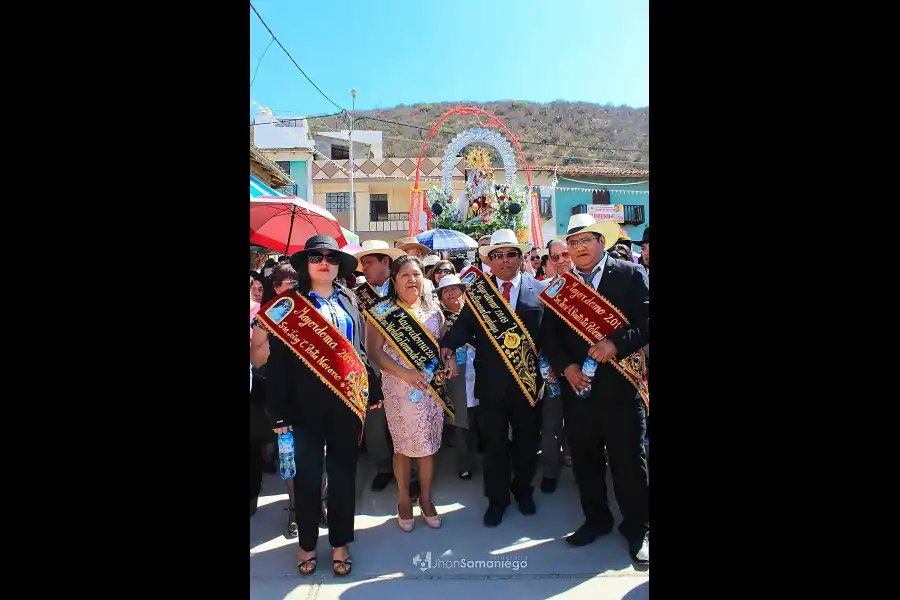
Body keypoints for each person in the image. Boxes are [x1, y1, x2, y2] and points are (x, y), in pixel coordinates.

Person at [540, 214, 649, 566]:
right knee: (585, 461)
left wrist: (616, 345)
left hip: (621, 389)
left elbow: (646, 323)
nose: (579, 248)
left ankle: (639, 529)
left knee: (629, 463)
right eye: (572, 243)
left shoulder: (630, 274)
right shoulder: (561, 285)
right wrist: (567, 368)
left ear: (601, 242)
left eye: (585, 240)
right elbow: (550, 337)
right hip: (579, 391)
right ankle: (596, 519)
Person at [259, 234, 367, 577]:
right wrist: (278, 412)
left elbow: (359, 351)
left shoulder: (349, 298)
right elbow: (275, 365)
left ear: (339, 266)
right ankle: (306, 543)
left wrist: (368, 392)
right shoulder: (288, 304)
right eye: (317, 256)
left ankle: (339, 542)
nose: (325, 262)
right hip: (302, 406)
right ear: (305, 263)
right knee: (306, 478)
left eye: (331, 258)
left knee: (342, 476)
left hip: (345, 404)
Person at [440, 229, 548, 527]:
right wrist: (447, 346)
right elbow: (462, 328)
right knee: (495, 446)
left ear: (521, 257)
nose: (504, 260)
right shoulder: (478, 294)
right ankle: (497, 499)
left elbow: (549, 335)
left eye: (510, 254)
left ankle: (523, 491)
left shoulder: (538, 290)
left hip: (527, 383)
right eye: (497, 255)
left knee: (527, 443)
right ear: (489, 260)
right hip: (491, 385)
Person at [365, 256, 446, 531]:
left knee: (427, 445)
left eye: (416, 274)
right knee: (404, 446)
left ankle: (426, 498)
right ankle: (403, 500)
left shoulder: (434, 310)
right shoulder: (382, 311)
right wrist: (406, 374)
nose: (412, 280)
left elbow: (442, 345)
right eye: (405, 275)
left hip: (429, 389)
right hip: (399, 387)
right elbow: (374, 352)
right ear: (394, 281)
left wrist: (449, 360)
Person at [352, 240, 421, 498]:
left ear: (386, 262)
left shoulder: (404, 288)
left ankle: (412, 473)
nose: (364, 269)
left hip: (405, 368)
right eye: (362, 265)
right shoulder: (356, 296)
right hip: (370, 368)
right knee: (376, 423)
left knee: (408, 419)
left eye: (369, 263)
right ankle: (383, 467)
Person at [437, 274, 480, 480]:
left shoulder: (476, 314)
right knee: (461, 422)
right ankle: (465, 464)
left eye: (455, 288)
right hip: (456, 376)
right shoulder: (439, 319)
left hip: (480, 372)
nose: (451, 293)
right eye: (446, 290)